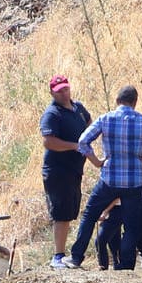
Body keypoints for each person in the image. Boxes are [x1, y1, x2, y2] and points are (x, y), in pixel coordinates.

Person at [69, 85, 142, 270]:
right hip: (135, 181)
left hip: (110, 179)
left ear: (117, 101)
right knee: (131, 226)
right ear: (135, 102)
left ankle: (76, 257)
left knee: (90, 215)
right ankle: (126, 266)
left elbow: (83, 141)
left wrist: (97, 161)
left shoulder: (106, 119)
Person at [38, 75, 93, 269]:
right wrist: (74, 146)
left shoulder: (78, 108)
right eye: (59, 90)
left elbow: (89, 123)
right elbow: (48, 141)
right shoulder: (52, 114)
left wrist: (86, 140)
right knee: (61, 213)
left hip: (74, 169)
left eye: (66, 89)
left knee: (70, 211)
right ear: (52, 92)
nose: (64, 93)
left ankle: (63, 255)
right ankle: (58, 256)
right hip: (57, 170)